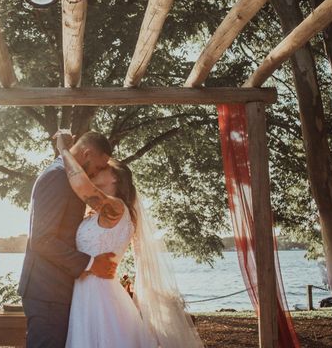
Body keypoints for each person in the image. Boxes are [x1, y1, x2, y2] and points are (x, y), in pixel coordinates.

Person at [55, 130, 204, 348]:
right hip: (86, 294)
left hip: (100, 298)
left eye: (103, 168)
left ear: (115, 177)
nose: (96, 170)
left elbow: (81, 185)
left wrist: (62, 150)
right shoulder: (96, 213)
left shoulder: (117, 208)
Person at [19, 131, 118, 348]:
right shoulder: (58, 176)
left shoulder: (66, 175)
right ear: (86, 153)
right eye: (99, 167)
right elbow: (42, 239)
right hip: (48, 292)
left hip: (55, 290)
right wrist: (92, 264)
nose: (97, 173)